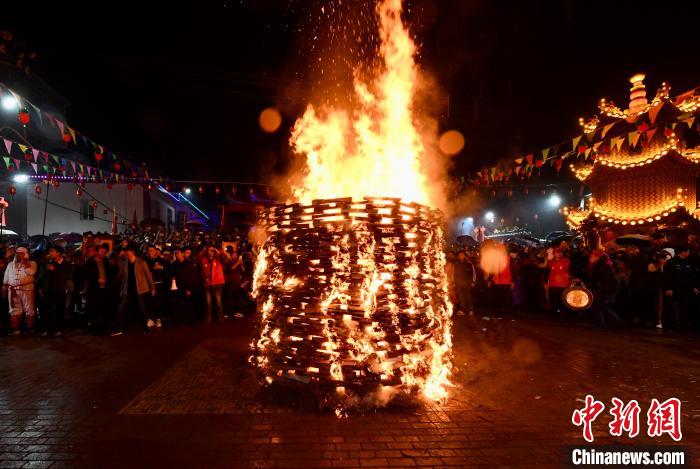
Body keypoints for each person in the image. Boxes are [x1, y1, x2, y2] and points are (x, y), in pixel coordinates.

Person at [116, 245, 155, 335]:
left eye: (127, 252)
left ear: (132, 252)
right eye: (125, 252)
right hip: (128, 290)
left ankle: (145, 328)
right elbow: (124, 278)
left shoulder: (141, 262)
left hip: (140, 289)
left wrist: (152, 287)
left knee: (142, 309)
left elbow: (148, 275)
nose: (126, 254)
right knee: (121, 308)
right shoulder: (124, 263)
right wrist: (122, 289)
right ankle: (120, 328)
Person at [663, 244, 699, 331]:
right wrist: (668, 288)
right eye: (688, 251)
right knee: (670, 308)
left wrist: (693, 287)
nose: (689, 253)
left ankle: (683, 326)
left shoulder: (687, 263)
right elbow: (667, 277)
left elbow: (689, 277)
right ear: (683, 252)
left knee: (684, 307)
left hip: (685, 290)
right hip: (673, 289)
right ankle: (669, 325)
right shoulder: (671, 263)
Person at [3, 247, 38, 335]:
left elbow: (31, 272)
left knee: (29, 308)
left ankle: (29, 328)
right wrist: (4, 286)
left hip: (27, 289)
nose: (18, 255)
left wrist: (25, 264)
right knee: (14, 309)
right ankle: (16, 329)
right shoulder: (10, 264)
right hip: (13, 290)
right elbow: (6, 276)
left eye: (21, 253)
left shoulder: (32, 263)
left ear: (26, 254)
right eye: (17, 253)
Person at [40, 246, 73, 337]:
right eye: (50, 251)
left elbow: (66, 276)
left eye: (52, 251)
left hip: (59, 290)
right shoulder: (50, 262)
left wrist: (55, 269)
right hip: (49, 291)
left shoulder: (66, 264)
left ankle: (59, 329)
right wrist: (42, 287)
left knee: (59, 311)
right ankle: (47, 330)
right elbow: (45, 277)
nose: (50, 253)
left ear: (58, 253)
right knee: (48, 311)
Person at [588, 249, 623, 329]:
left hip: (606, 289)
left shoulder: (599, 265)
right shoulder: (603, 264)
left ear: (597, 257)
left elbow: (596, 279)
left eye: (591, 256)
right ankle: (617, 323)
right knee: (604, 307)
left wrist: (592, 286)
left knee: (599, 307)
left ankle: (601, 324)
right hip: (608, 289)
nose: (590, 258)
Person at [84, 243, 115, 334]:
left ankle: (103, 326)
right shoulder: (91, 261)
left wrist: (113, 266)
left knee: (103, 308)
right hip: (95, 289)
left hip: (105, 289)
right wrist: (97, 280)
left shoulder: (105, 260)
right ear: (97, 251)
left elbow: (110, 274)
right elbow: (86, 274)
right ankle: (94, 327)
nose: (103, 253)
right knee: (94, 308)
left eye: (104, 252)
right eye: (101, 251)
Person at [201, 246, 225, 322]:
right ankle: (208, 319)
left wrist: (216, 250)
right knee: (208, 303)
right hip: (208, 284)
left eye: (212, 251)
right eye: (209, 251)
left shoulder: (218, 259)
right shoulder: (204, 260)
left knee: (218, 302)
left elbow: (223, 256)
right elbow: (202, 272)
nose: (210, 252)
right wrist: (205, 278)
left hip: (217, 283)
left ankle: (220, 318)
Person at [546, 248, 571, 319]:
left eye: (560, 252)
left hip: (563, 285)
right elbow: (547, 273)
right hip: (553, 285)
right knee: (554, 301)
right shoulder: (550, 262)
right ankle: (554, 316)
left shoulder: (566, 261)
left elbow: (570, 270)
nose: (559, 254)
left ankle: (563, 316)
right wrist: (546, 283)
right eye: (557, 252)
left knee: (563, 302)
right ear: (554, 253)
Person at [145, 245, 167, 328]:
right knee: (149, 302)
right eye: (149, 250)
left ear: (155, 251)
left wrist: (161, 267)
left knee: (158, 302)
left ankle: (158, 319)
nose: (151, 252)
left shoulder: (161, 260)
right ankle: (151, 319)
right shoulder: (146, 260)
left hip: (158, 284)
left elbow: (166, 269)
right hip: (148, 284)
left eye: (152, 250)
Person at [224, 245, 247, 318]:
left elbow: (243, 271)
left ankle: (237, 312)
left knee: (237, 297)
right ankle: (229, 313)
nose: (235, 255)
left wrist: (242, 265)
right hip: (230, 282)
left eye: (236, 254)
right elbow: (231, 269)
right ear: (231, 256)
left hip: (237, 282)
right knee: (230, 298)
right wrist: (238, 263)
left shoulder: (238, 262)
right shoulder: (229, 262)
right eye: (233, 255)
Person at [452, 251, 476, 316]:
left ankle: (471, 310)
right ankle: (463, 310)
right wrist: (454, 282)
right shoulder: (456, 264)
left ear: (465, 256)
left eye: (462, 255)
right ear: (458, 256)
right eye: (460, 255)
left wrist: (473, 282)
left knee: (469, 297)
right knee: (461, 297)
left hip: (467, 284)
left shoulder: (469, 264)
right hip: (459, 284)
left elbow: (473, 274)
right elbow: (453, 274)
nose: (461, 256)